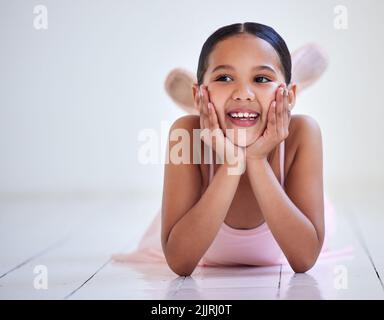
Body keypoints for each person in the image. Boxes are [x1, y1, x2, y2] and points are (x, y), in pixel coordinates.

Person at [113, 22, 338, 276]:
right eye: (224, 78)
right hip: (202, 182)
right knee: (229, 117)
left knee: (241, 111)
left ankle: (246, 109)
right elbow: (180, 262)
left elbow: (304, 257)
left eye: (261, 78)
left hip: (291, 196)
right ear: (199, 95)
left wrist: (256, 159)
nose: (243, 93)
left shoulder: (303, 133)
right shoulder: (186, 134)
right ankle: (229, 110)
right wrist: (232, 163)